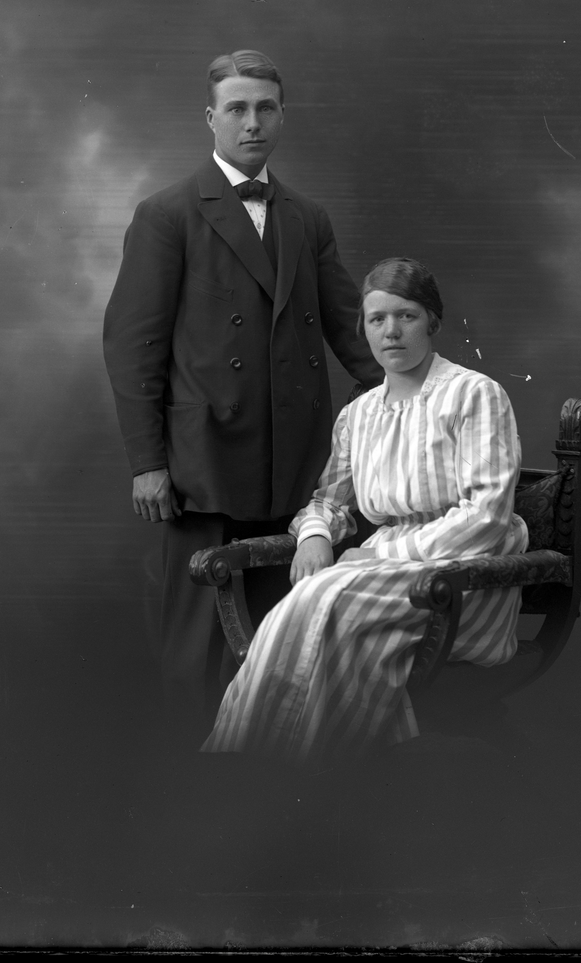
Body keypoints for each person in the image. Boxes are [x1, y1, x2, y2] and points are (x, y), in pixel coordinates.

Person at [102, 49, 382, 744]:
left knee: (284, 645)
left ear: (282, 117)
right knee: (195, 652)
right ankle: (191, 785)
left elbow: (353, 330)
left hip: (295, 465)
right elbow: (132, 346)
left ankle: (265, 790)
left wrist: (425, 395)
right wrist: (147, 462)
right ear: (211, 118)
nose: (252, 122)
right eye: (237, 108)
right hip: (204, 466)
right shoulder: (167, 214)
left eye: (265, 108)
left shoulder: (308, 218)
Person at [202, 257, 529, 762]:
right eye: (377, 319)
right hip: (381, 571)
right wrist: (315, 535)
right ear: (365, 329)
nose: (391, 331)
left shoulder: (474, 394)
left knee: (325, 599)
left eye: (406, 316)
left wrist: (380, 556)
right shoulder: (359, 414)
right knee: (304, 604)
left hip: (463, 572)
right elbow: (329, 501)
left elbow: (486, 515)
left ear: (432, 322)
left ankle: (296, 767)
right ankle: (252, 766)